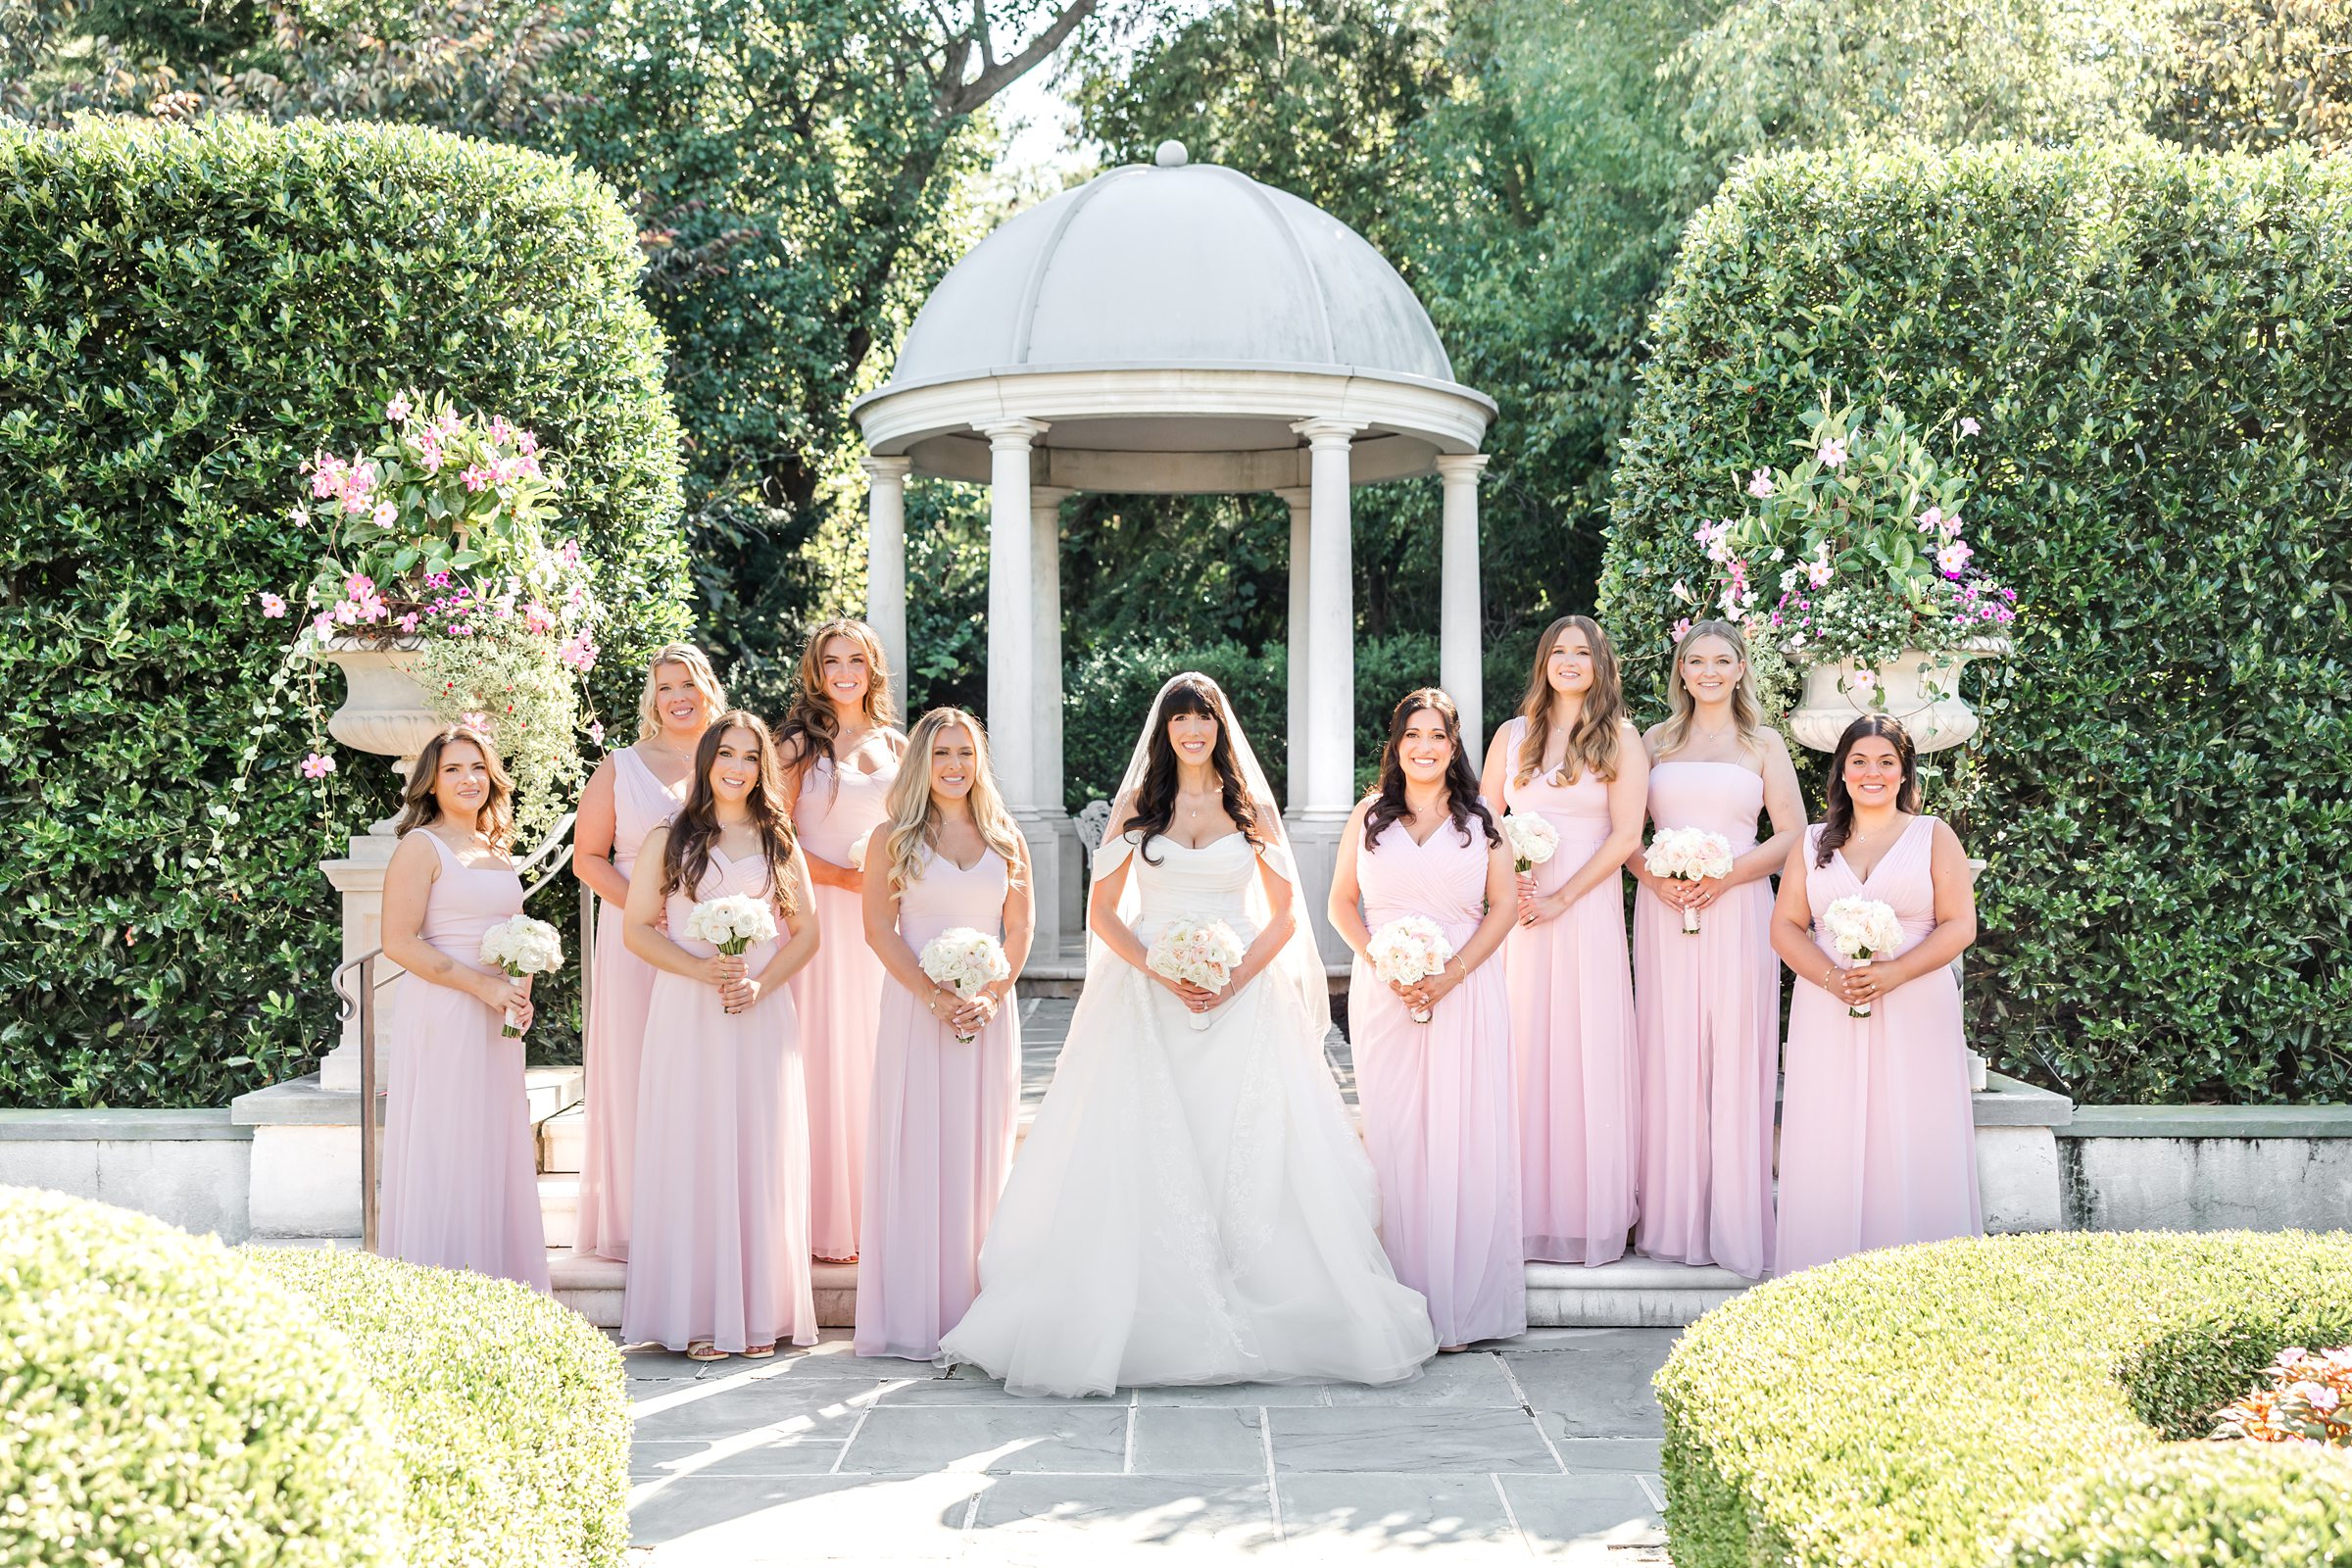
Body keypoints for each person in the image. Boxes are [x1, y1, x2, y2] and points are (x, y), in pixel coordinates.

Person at [940, 673, 1436, 1396]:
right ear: (1165, 731)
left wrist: (1233, 980)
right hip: (1149, 999)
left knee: (1242, 1143)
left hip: (1243, 998)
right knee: (1146, 1144)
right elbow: (1104, 913)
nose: (1192, 730)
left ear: (1219, 728)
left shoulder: (1248, 808)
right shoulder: (1140, 807)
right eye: (1180, 720)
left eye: (1203, 718)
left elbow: (1285, 916)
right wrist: (1158, 969)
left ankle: (1255, 1287)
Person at [621, 711, 821, 1359]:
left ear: (763, 769)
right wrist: (700, 970)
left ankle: (760, 1311)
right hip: (689, 1009)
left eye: (750, 757)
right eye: (726, 754)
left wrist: (762, 985)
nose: (737, 767)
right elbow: (637, 929)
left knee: (759, 1146)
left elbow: (808, 933)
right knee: (694, 1145)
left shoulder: (778, 838)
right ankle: (700, 1314)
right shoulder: (669, 836)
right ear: (707, 761)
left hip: (761, 1010)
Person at [1329, 689, 1524, 1350]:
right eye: (1413, 734)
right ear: (1396, 743)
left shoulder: (1482, 819)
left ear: (1454, 745)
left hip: (1466, 989)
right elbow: (1340, 903)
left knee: (1463, 1134)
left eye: (1437, 735)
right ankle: (1401, 1298)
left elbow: (1503, 907)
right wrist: (1383, 965)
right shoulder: (1368, 816)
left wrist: (1452, 973)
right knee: (1397, 1135)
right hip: (1385, 993)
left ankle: (1460, 1307)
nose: (1424, 746)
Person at [1771, 715, 1983, 1275]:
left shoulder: (1932, 835)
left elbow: (1960, 925)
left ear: (1905, 772)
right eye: (1860, 761)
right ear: (1842, 771)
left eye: (1887, 762)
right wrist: (1829, 978)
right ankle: (1822, 1269)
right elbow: (1785, 927)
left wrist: (1896, 973)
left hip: (1915, 1004)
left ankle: (1919, 1274)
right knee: (1829, 1127)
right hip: (1828, 1007)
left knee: (1912, 1127)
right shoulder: (1811, 842)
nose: (1873, 773)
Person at [853, 710, 1033, 1360]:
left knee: (979, 1153)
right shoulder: (891, 838)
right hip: (915, 1012)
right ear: (920, 763)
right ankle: (911, 1316)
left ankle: (974, 1310)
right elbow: (878, 930)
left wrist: (988, 997)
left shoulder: (1005, 836)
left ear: (979, 761)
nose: (954, 765)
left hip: (986, 1017)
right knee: (915, 1148)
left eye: (965, 753)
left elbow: (1020, 929)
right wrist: (932, 996)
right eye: (940, 753)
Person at [1629, 620, 1805, 1279]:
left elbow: (1791, 835)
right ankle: (1671, 1221)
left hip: (1738, 907)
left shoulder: (1764, 744)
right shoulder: (1652, 742)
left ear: (1739, 670)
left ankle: (1734, 1222)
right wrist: (1657, 880)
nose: (1708, 671)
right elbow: (1623, 833)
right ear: (1681, 670)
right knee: (1668, 1048)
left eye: (1721, 661)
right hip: (1663, 911)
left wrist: (1725, 875)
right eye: (1696, 660)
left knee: (1734, 1049)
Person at [1479, 614, 1647, 1265]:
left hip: (1584, 911)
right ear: (1544, 661)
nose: (1569, 661)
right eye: (1559, 651)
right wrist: (1508, 880)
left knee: (1586, 1047)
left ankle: (1586, 1214)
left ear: (1600, 664)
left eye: (1582, 652)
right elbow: (1484, 818)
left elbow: (1626, 835)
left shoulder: (1620, 739)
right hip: (1519, 914)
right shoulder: (1511, 735)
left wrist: (1562, 897)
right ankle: (1519, 1212)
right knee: (1523, 1045)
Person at [377, 724, 548, 1289]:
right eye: (452, 769)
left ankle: (498, 1282)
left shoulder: (496, 852)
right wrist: (483, 988)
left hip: (497, 1018)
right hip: (446, 1011)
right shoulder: (420, 847)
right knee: (448, 1138)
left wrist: (519, 990)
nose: (468, 779)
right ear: (431, 782)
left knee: (490, 1142)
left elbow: (511, 934)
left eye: (477, 767)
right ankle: (443, 1284)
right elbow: (399, 942)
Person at [569, 643, 719, 1260]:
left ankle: (705, 1211)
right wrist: (644, 907)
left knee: (709, 1066)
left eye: (687, 684)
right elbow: (587, 859)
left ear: (708, 688)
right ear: (652, 700)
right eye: (665, 688)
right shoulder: (620, 767)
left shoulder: (731, 756)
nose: (678, 697)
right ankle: (640, 1217)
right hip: (636, 938)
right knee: (636, 1064)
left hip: (712, 935)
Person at [778, 618, 906, 1263]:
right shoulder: (796, 745)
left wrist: (890, 880)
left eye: (856, 660)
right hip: (816, 913)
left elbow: (917, 828)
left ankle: (871, 1213)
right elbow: (773, 836)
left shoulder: (898, 745)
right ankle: (816, 1217)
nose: (845, 672)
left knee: (874, 1052)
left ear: (872, 667)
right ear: (817, 671)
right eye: (833, 661)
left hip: (879, 921)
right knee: (818, 1052)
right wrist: (844, 879)